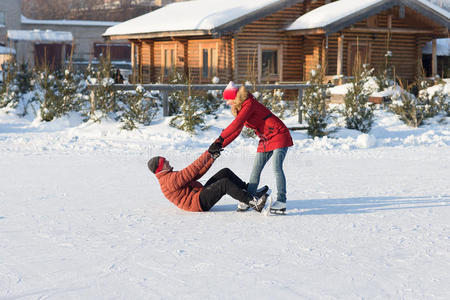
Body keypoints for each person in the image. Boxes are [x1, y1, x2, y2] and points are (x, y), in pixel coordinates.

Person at [208, 81, 293, 214]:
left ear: (235, 97)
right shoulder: (241, 108)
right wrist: (219, 144)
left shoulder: (249, 103)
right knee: (255, 171)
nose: (227, 103)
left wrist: (219, 139)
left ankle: (281, 201)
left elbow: (236, 124)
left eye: (228, 99)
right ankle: (249, 199)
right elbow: (236, 131)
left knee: (277, 168)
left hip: (279, 134)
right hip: (265, 139)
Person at [147, 149, 269, 212]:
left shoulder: (169, 176)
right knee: (224, 184)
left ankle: (249, 191)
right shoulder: (168, 180)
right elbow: (191, 170)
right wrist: (207, 154)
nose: (168, 161)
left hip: (198, 194)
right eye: (164, 162)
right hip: (196, 204)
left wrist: (211, 158)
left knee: (224, 172)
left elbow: (196, 175)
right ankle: (254, 203)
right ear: (160, 167)